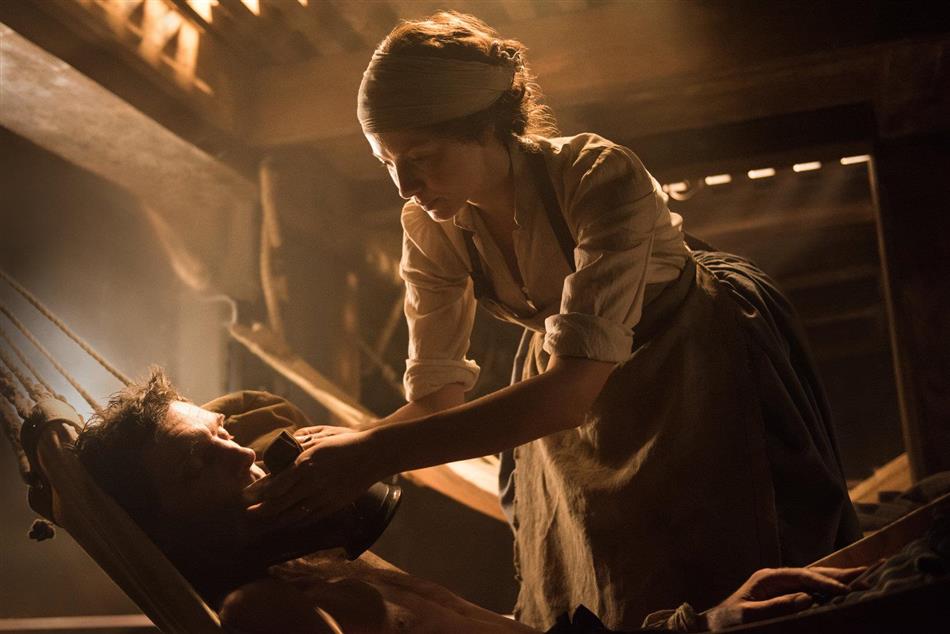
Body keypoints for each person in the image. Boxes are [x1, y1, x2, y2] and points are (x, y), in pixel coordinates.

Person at [246, 11, 861, 630]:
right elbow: (436, 398)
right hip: (564, 380)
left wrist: (374, 452)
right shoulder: (432, 227)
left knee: (712, 546)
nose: (405, 184)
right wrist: (352, 445)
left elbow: (567, 396)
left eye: (421, 157)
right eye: (387, 162)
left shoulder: (597, 176)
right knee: (596, 563)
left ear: (485, 128)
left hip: (684, 362)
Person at [72, 369, 865, 633]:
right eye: (196, 464)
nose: (242, 452)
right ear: (158, 527)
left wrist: (703, 621)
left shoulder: (316, 567)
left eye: (219, 432)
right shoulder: (263, 613)